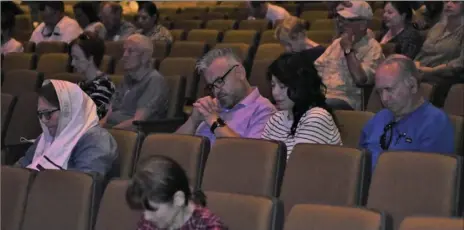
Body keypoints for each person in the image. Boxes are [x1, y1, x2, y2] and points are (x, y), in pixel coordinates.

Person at [359, 54, 454, 170]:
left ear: (412, 85)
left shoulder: (436, 123)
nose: (384, 98)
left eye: (389, 89)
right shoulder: (377, 119)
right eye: (379, 91)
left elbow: (429, 178)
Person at [16, 80, 118, 176]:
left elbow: (84, 185)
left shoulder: (96, 139)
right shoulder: (45, 139)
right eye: (40, 114)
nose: (43, 120)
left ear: (69, 111)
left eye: (48, 113)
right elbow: (18, 171)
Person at [176, 48, 276, 144]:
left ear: (240, 72)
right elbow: (173, 147)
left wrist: (214, 121)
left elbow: (248, 153)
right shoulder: (211, 106)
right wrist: (193, 121)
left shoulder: (264, 110)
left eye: (219, 81)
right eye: (212, 86)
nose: (216, 91)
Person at [262, 52, 342, 160]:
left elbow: (295, 166)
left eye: (283, 86)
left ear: (301, 86)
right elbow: (261, 161)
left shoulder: (317, 117)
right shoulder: (276, 119)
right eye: (273, 85)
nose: (275, 92)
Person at [315, 1, 384, 110]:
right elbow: (317, 68)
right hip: (323, 95)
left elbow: (360, 79)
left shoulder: (373, 48)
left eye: (347, 20)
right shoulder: (337, 43)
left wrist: (348, 50)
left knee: (322, 105)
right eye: (341, 19)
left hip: (347, 100)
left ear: (363, 25)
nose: (341, 23)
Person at [126, 155, 227, 230]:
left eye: (153, 210)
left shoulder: (209, 226)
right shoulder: (150, 223)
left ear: (178, 199)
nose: (147, 216)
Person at [100, 34, 169, 130]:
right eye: (124, 50)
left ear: (145, 56)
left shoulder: (154, 81)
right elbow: (110, 109)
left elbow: (137, 122)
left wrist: (109, 132)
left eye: (130, 51)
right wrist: (99, 126)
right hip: (112, 129)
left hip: (129, 134)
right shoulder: (127, 78)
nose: (124, 55)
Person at [70, 32, 116, 119]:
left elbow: (93, 118)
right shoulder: (80, 84)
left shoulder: (104, 85)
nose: (72, 63)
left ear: (91, 59)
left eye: (76, 58)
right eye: (72, 58)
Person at [414, 1, 464, 82]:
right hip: (419, 71)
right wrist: (416, 63)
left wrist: (433, 70)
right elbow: (422, 52)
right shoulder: (437, 27)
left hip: (442, 78)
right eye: (446, 1)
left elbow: (461, 63)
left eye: (455, 2)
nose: (448, 5)